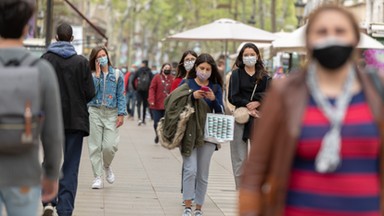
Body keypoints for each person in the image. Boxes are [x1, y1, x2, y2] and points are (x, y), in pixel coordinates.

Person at [239, 5, 384, 216]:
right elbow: (256, 169)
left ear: (355, 39)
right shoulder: (285, 93)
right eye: (322, 32)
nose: (331, 38)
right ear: (308, 41)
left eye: (340, 31)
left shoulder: (376, 90)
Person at [0, 0, 63, 215]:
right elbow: (53, 133)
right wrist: (52, 174)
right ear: (26, 28)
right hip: (25, 171)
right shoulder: (42, 70)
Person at [41, 23, 95, 216]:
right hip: (75, 120)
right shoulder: (81, 62)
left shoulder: (45, 59)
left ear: (56, 37)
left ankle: (48, 201)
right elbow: (90, 92)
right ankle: (65, 209)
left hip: (50, 121)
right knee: (71, 165)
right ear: (72, 39)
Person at [176, 53, 224, 216]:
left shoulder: (216, 87)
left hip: (208, 134)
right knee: (190, 169)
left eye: (208, 69)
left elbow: (221, 111)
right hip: (189, 132)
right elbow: (175, 105)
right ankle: (187, 206)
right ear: (195, 68)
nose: (204, 71)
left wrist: (213, 99)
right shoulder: (186, 83)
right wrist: (192, 96)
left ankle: (198, 208)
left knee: (203, 173)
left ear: (212, 70)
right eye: (201, 68)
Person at [228, 43, 271, 190]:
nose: (249, 57)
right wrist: (248, 105)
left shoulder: (264, 76)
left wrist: (258, 102)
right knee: (239, 158)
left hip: (259, 119)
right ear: (241, 57)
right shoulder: (236, 74)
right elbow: (233, 97)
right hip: (241, 118)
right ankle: (241, 191)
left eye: (252, 54)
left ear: (257, 56)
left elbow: (271, 95)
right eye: (246, 55)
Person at [87, 47, 127, 189]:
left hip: (111, 113)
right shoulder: (91, 75)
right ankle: (97, 177)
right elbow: (91, 93)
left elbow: (121, 95)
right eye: (99, 56)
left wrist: (121, 114)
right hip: (95, 111)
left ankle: (107, 166)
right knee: (95, 146)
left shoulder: (117, 74)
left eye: (104, 55)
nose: (102, 58)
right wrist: (97, 76)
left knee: (110, 146)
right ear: (95, 60)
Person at [148, 63, 174, 144]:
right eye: (165, 67)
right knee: (156, 122)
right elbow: (152, 88)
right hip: (157, 104)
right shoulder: (157, 77)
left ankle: (163, 136)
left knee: (166, 122)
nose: (167, 69)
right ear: (162, 68)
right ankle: (157, 134)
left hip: (167, 105)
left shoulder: (172, 78)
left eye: (168, 68)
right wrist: (151, 99)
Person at [133, 60, 153, 126]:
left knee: (138, 104)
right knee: (144, 105)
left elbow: (133, 80)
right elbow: (152, 81)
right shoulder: (149, 71)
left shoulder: (139, 71)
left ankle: (139, 119)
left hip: (139, 90)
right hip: (146, 91)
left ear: (143, 64)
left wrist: (135, 88)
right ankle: (144, 120)